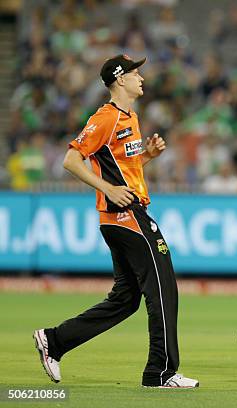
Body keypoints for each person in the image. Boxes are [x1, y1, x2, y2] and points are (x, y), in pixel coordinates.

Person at [33, 55, 198, 388]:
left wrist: (147, 156)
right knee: (163, 290)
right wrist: (108, 188)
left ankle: (55, 340)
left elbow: (124, 169)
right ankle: (161, 372)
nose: (142, 78)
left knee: (125, 299)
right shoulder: (106, 118)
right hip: (127, 217)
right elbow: (71, 160)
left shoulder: (130, 117)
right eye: (136, 73)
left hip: (121, 218)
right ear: (119, 79)